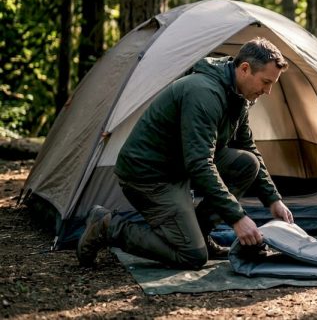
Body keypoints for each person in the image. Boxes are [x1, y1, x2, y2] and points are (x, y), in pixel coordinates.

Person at [76, 38, 295, 270]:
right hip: (148, 176)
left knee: (246, 163)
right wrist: (237, 217)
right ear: (244, 69)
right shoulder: (204, 93)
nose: (268, 91)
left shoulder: (237, 96)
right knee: (192, 256)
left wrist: (273, 200)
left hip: (178, 169)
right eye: (266, 82)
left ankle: (200, 233)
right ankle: (107, 226)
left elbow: (247, 146)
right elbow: (200, 163)